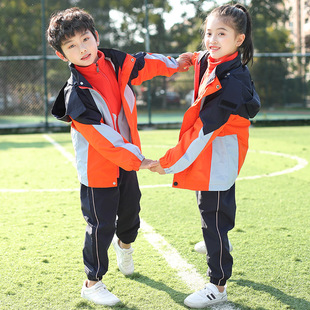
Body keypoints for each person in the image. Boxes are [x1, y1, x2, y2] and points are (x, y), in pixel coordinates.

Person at [46, 7, 189, 306]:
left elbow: (146, 63)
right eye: (71, 46)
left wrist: (178, 63)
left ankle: (125, 246)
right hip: (99, 169)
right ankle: (92, 282)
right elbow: (103, 139)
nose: (82, 49)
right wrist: (140, 160)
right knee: (100, 225)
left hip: (126, 163)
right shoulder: (76, 95)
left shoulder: (116, 62)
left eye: (85, 39)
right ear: (62, 55)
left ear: (95, 37)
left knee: (130, 216)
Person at [150, 3, 260, 308]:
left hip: (219, 151)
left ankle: (217, 285)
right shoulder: (213, 60)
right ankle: (220, 238)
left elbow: (202, 131)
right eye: (209, 32)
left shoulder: (230, 82)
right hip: (213, 151)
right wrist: (182, 60)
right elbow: (197, 58)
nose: (212, 39)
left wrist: (167, 162)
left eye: (221, 33)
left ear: (239, 39)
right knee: (212, 209)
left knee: (212, 215)